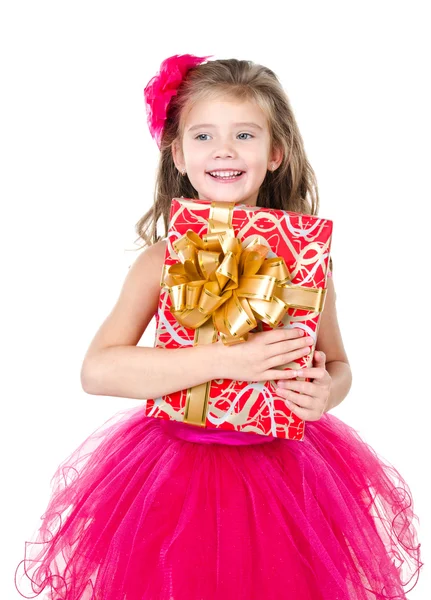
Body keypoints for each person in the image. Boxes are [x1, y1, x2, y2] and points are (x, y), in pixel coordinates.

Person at [15, 54, 423, 600]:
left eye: (245, 135)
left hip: (286, 477)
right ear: (178, 155)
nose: (224, 150)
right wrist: (229, 362)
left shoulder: (305, 261)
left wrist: (327, 392)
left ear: (275, 152)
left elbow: (340, 363)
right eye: (203, 135)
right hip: (174, 474)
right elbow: (98, 369)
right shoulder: (162, 259)